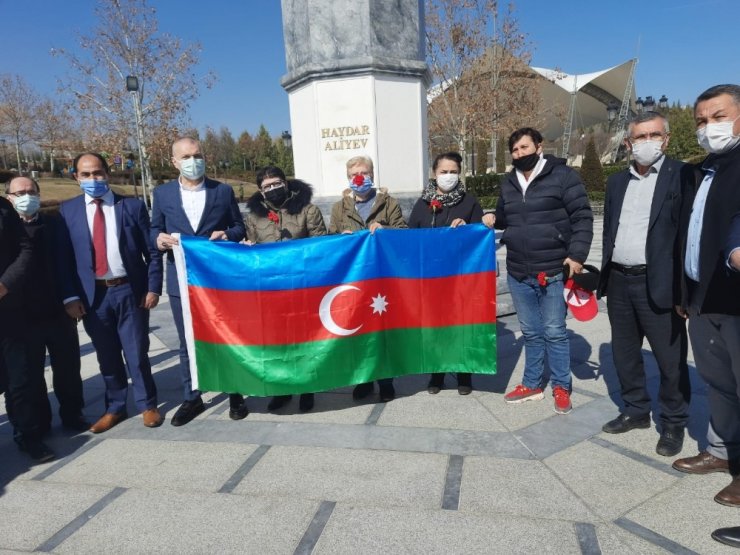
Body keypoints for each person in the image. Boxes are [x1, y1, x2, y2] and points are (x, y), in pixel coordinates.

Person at [597, 112, 690, 456]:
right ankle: (636, 410)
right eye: (639, 137)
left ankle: (673, 422)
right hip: (620, 280)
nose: (646, 142)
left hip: (660, 282)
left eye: (654, 135)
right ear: (628, 143)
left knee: (669, 359)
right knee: (624, 353)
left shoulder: (682, 176)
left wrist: (684, 290)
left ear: (665, 139)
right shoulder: (616, 182)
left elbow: (686, 236)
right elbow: (609, 228)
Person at [484, 127, 593, 415]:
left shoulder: (562, 176)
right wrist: (491, 217)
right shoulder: (509, 181)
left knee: (555, 332)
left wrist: (577, 255)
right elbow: (504, 215)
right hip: (519, 270)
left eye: (524, 148)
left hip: (553, 269)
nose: (520, 154)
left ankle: (561, 386)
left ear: (539, 146)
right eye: (515, 150)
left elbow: (582, 216)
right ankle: (531, 383)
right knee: (531, 333)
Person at [59, 152, 163, 433]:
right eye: (86, 174)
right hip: (93, 297)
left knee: (137, 352)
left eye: (98, 173)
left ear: (107, 173)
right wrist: (70, 297)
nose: (93, 179)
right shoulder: (67, 211)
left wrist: (153, 287)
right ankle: (115, 407)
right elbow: (63, 260)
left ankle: (147, 404)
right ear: (76, 178)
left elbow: (151, 252)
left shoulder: (131, 206)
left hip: (130, 290)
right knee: (107, 356)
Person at [672, 84, 740, 507]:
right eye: (701, 121)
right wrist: (685, 292)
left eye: (718, 117)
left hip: (735, 298)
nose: (708, 128)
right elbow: (689, 236)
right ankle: (720, 449)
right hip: (702, 297)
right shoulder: (703, 170)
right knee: (718, 382)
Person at [151, 137, 249, 425]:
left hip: (217, 279)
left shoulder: (222, 191)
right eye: (186, 156)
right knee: (187, 341)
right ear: (174, 162)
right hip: (181, 279)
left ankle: (235, 393)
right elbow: (154, 229)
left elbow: (238, 227)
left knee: (226, 335)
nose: (193, 161)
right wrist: (158, 240)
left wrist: (226, 234)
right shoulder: (163, 194)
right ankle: (192, 397)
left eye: (197, 155)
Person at [6, 177, 86, 432]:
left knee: (68, 370)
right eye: (19, 193)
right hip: (21, 317)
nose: (25, 197)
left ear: (39, 196)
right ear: (9, 198)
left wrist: (72, 297)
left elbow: (67, 263)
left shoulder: (54, 224)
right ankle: (40, 422)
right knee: (30, 376)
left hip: (58, 311)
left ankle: (73, 415)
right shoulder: (6, 230)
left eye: (31, 191)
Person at [245, 166, 327, 412]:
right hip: (271, 290)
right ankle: (282, 388)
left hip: (302, 287)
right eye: (267, 186)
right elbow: (253, 250)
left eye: (276, 183)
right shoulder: (254, 218)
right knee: (276, 343)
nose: (273, 189)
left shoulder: (308, 211)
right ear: (261, 191)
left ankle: (307, 388)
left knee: (304, 340)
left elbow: (321, 246)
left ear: (286, 183)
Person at [329, 154, 407, 402]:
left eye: (363, 173)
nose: (358, 178)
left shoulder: (389, 203)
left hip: (381, 278)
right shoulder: (338, 208)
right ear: (348, 178)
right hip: (353, 279)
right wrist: (342, 236)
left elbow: (404, 233)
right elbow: (330, 240)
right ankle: (363, 379)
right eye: (353, 175)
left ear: (372, 174)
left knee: (383, 330)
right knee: (357, 330)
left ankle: (386, 380)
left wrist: (385, 231)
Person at [408, 151, 483, 395]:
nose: (448, 176)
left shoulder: (469, 202)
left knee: (462, 325)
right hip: (431, 280)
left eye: (453, 172)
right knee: (435, 327)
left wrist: (468, 228)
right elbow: (411, 238)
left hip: (460, 278)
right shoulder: (422, 205)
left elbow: (480, 237)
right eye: (444, 172)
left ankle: (464, 374)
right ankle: (436, 373)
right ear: (434, 174)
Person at [0, 193, 52, 461]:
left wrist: (6, 283)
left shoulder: (4, 208)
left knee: (18, 380)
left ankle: (27, 435)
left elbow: (25, 248)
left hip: (8, 310)